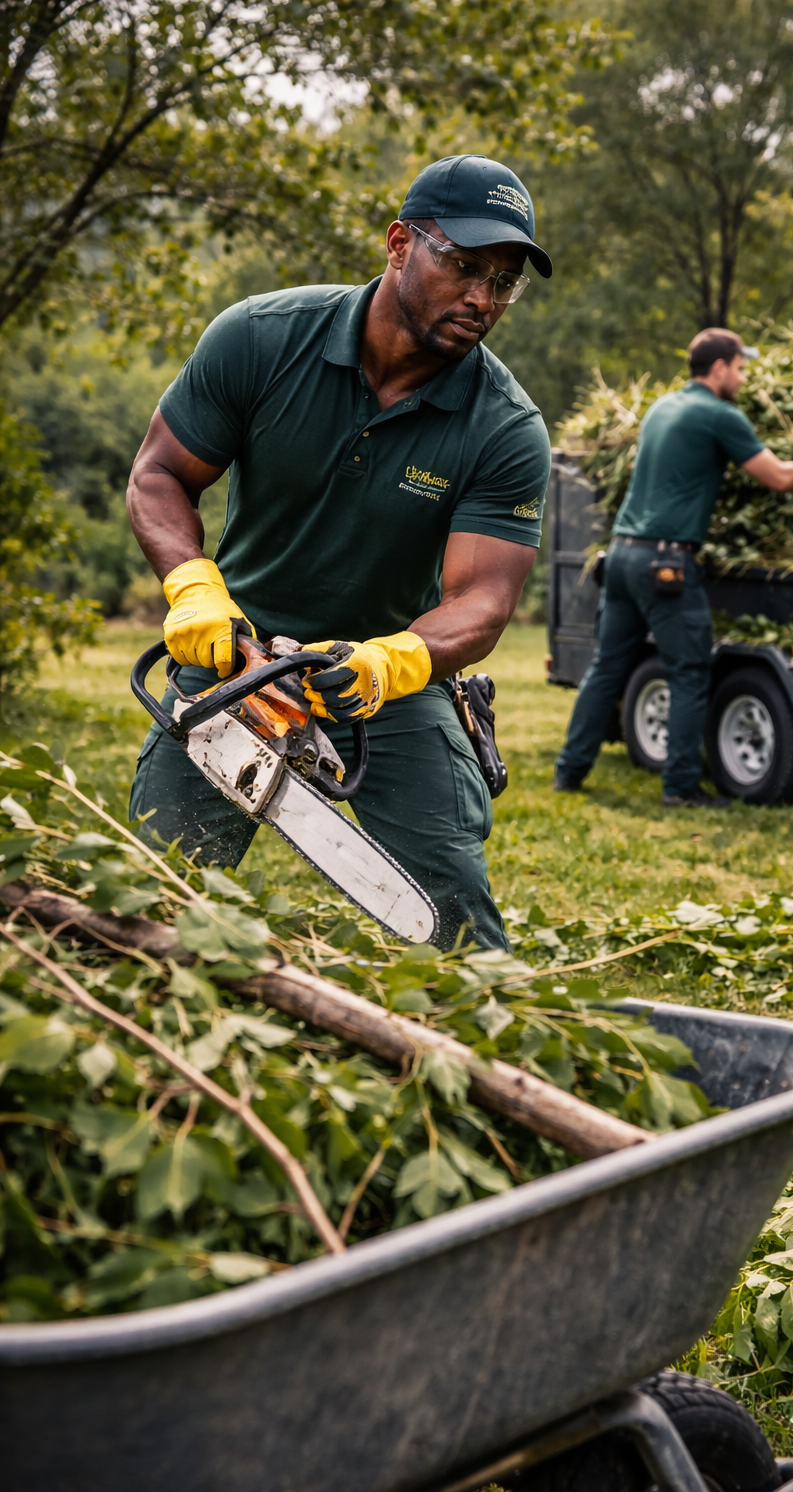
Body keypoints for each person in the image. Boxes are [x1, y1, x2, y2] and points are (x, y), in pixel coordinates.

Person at [126, 154, 552, 951]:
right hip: (233, 659)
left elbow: (484, 602)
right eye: (464, 266)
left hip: (384, 678)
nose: (483, 298)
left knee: (459, 931)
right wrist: (192, 588)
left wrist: (392, 662)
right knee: (149, 902)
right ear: (399, 244)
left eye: (503, 281)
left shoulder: (503, 426)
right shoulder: (260, 339)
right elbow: (158, 476)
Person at [553, 327, 793, 807]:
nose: (744, 378)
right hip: (665, 563)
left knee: (606, 667)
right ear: (720, 368)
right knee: (689, 671)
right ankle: (681, 787)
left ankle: (569, 772)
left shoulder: (662, 407)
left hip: (621, 554)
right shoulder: (720, 415)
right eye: (741, 369)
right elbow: (781, 478)